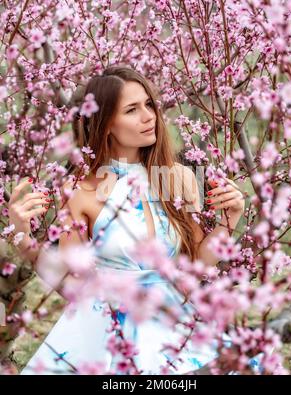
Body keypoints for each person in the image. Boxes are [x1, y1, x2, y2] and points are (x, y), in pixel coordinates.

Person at [8, 66, 245, 374]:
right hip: (104, 339)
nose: (149, 116)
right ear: (106, 123)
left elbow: (195, 265)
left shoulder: (180, 178)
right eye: (132, 109)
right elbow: (70, 283)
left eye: (149, 105)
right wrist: (21, 236)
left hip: (171, 332)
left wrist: (231, 221)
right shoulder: (80, 191)